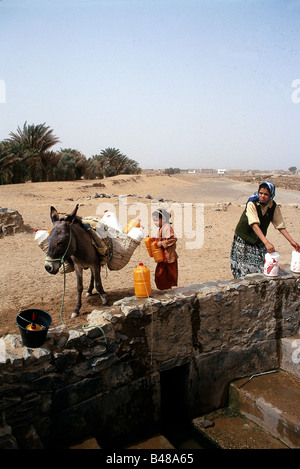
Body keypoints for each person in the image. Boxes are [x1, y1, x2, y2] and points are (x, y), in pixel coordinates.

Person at [230, 181, 300, 278]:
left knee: (262, 264)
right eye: (261, 193)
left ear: (271, 195)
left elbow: (279, 225)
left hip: (259, 238)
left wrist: (291, 241)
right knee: (243, 266)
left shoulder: (272, 206)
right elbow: (254, 224)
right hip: (244, 237)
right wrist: (266, 243)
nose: (262, 196)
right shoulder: (252, 203)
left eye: (266, 194)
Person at [152, 208, 178, 290]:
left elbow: (173, 239)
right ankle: (165, 290)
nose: (155, 223)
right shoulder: (161, 228)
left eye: (156, 220)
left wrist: (162, 243)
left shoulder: (167, 228)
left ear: (163, 219)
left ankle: (167, 291)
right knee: (160, 275)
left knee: (165, 275)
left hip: (168, 257)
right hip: (162, 257)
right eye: (154, 221)